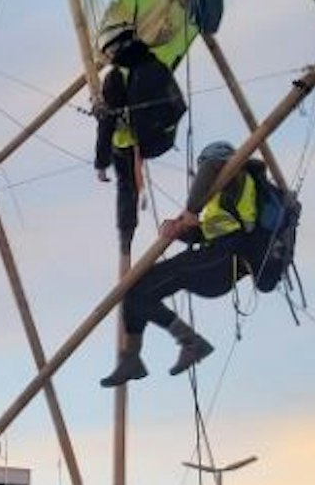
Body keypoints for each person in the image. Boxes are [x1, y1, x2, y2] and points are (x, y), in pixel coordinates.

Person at [101, 140, 262, 387]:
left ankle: (191, 342)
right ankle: (131, 358)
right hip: (213, 259)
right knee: (135, 290)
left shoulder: (233, 173)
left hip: (223, 260)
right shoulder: (225, 194)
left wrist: (191, 211)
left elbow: (211, 167)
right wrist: (181, 232)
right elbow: (209, 231)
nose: (201, 176)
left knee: (141, 289)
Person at [93, 12, 186, 249]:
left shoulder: (116, 76)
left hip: (139, 145)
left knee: (125, 182)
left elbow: (107, 124)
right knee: (122, 147)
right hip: (166, 135)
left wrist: (101, 163)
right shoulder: (155, 62)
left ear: (112, 49)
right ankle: (127, 235)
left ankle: (126, 239)